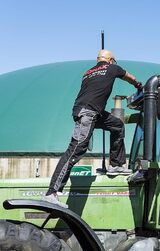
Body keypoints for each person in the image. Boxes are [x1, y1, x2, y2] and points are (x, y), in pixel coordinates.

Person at [43, 49, 142, 207]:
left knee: (117, 125)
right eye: (113, 61)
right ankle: (51, 192)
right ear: (110, 60)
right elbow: (130, 77)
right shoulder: (113, 68)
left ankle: (115, 165)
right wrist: (138, 85)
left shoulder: (88, 72)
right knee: (76, 150)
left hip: (93, 111)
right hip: (87, 114)